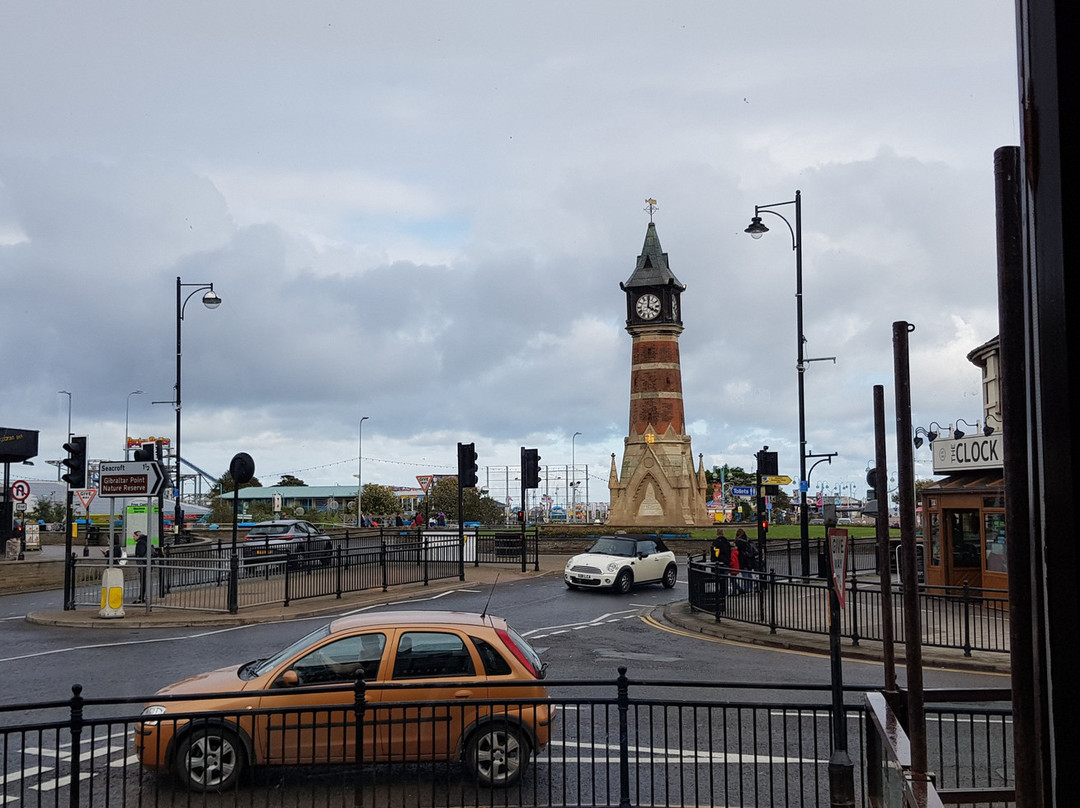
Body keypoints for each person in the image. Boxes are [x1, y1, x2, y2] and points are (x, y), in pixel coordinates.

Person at [734, 528, 757, 593]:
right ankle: (750, 587)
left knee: (745, 575)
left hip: (743, 559)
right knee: (749, 574)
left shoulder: (738, 541)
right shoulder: (748, 539)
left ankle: (747, 589)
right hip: (750, 558)